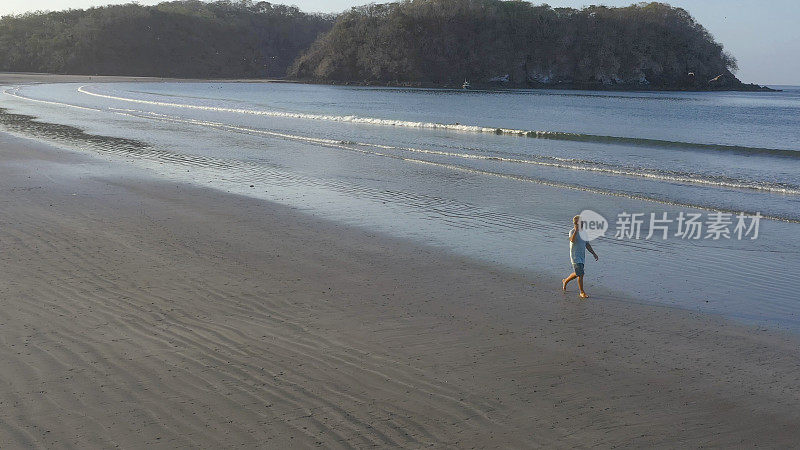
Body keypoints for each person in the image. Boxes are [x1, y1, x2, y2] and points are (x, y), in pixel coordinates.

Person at [562, 215, 599, 298]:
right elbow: (572, 240)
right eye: (579, 223)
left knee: (578, 273)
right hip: (575, 256)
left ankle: (565, 281)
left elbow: (587, 244)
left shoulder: (584, 233)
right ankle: (582, 292)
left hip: (582, 256)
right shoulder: (572, 232)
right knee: (581, 274)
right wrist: (576, 231)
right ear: (575, 224)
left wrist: (594, 253)